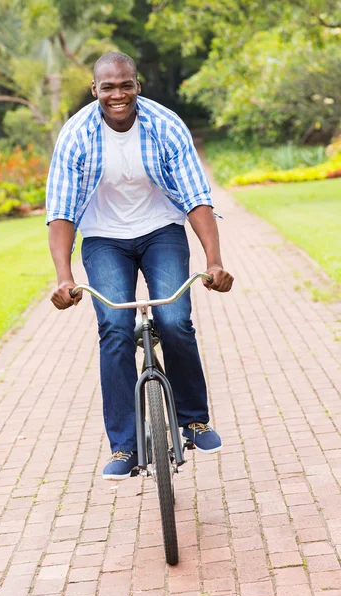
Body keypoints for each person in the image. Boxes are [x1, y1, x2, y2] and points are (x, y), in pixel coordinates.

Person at [46, 52, 234, 480]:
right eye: (108, 87)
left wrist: (215, 261)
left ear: (138, 85)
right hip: (103, 238)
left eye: (125, 84)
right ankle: (124, 447)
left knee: (174, 319)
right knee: (113, 327)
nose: (118, 94)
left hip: (160, 230)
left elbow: (195, 197)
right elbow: (61, 212)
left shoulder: (166, 126)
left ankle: (194, 420)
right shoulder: (76, 136)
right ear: (95, 90)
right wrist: (63, 277)